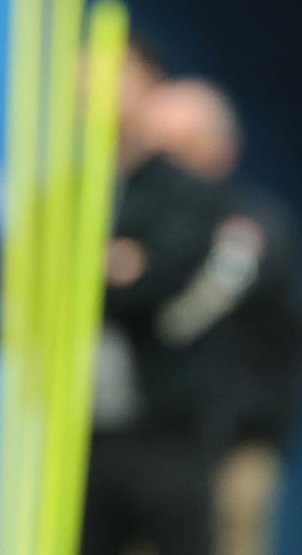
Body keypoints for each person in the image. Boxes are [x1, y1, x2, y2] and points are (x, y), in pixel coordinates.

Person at [81, 44, 234, 555]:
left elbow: (161, 278)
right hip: (85, 431)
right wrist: (110, 264)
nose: (89, 88)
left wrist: (105, 273)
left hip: (168, 428)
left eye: (112, 75)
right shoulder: (73, 187)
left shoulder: (181, 191)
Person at [146, 79, 302, 555]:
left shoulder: (253, 228)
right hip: (151, 446)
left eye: (183, 149)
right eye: (158, 151)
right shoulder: (139, 221)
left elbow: (185, 320)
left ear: (222, 148)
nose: (169, 167)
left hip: (233, 444)